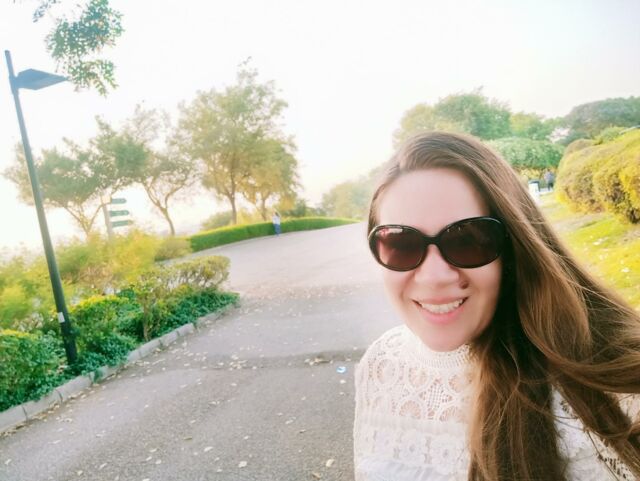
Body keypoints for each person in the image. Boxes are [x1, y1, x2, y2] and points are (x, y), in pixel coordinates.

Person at [354, 132, 640, 481]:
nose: (434, 277)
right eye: (401, 243)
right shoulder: (380, 365)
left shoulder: (611, 379)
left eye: (468, 240)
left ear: (514, 247)